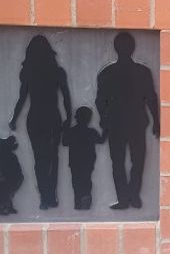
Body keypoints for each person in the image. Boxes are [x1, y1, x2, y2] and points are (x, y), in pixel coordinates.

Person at [95, 32, 160, 210]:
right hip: (130, 123)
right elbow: (151, 98)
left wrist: (103, 119)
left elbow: (100, 102)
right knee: (135, 161)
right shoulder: (142, 72)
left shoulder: (107, 73)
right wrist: (156, 121)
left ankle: (127, 198)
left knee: (121, 162)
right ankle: (132, 196)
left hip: (121, 124)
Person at [9, 35, 72, 210]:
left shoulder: (28, 73)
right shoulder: (57, 72)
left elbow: (22, 98)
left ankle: (45, 197)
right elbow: (66, 98)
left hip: (36, 118)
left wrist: (14, 119)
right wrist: (68, 118)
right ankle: (50, 196)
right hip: (52, 117)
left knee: (40, 159)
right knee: (53, 158)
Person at [62, 107, 106, 210]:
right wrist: (106, 129)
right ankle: (84, 202)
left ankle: (78, 203)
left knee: (77, 182)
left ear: (76, 118)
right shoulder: (91, 132)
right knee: (85, 181)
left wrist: (65, 129)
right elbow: (101, 140)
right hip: (87, 161)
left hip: (76, 161)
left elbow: (64, 142)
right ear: (89, 119)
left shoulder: (72, 131)